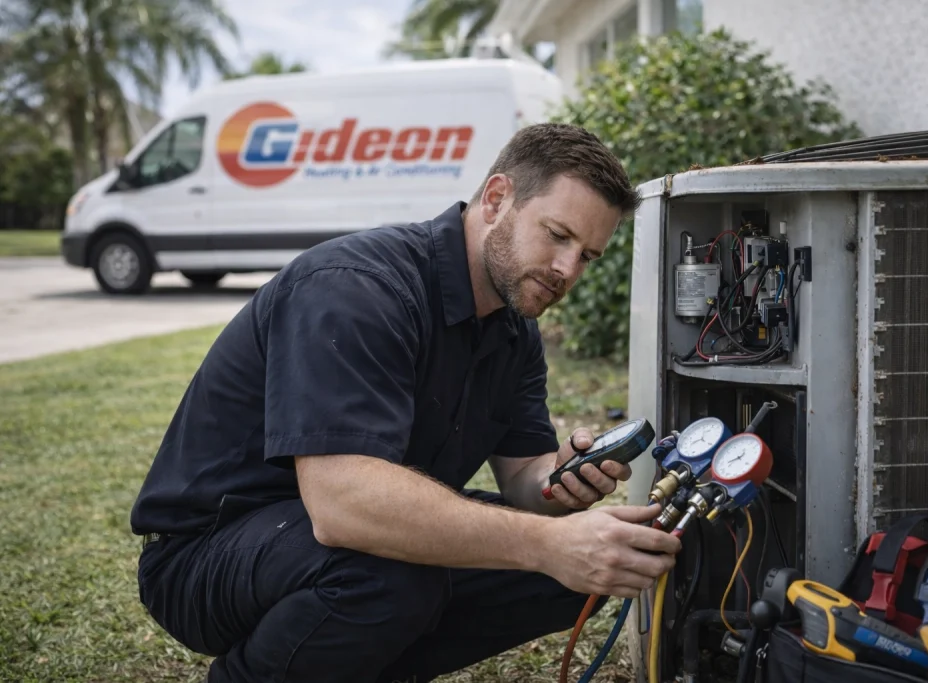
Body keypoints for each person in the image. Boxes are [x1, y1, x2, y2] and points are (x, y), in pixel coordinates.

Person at [130, 122, 681, 683]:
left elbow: (522, 481)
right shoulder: (358, 287)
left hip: (332, 543)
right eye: (557, 235)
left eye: (587, 255)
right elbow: (342, 505)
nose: (568, 271)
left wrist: (561, 482)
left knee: (567, 578)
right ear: (496, 200)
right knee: (396, 578)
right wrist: (548, 542)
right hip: (207, 553)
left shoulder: (514, 331)